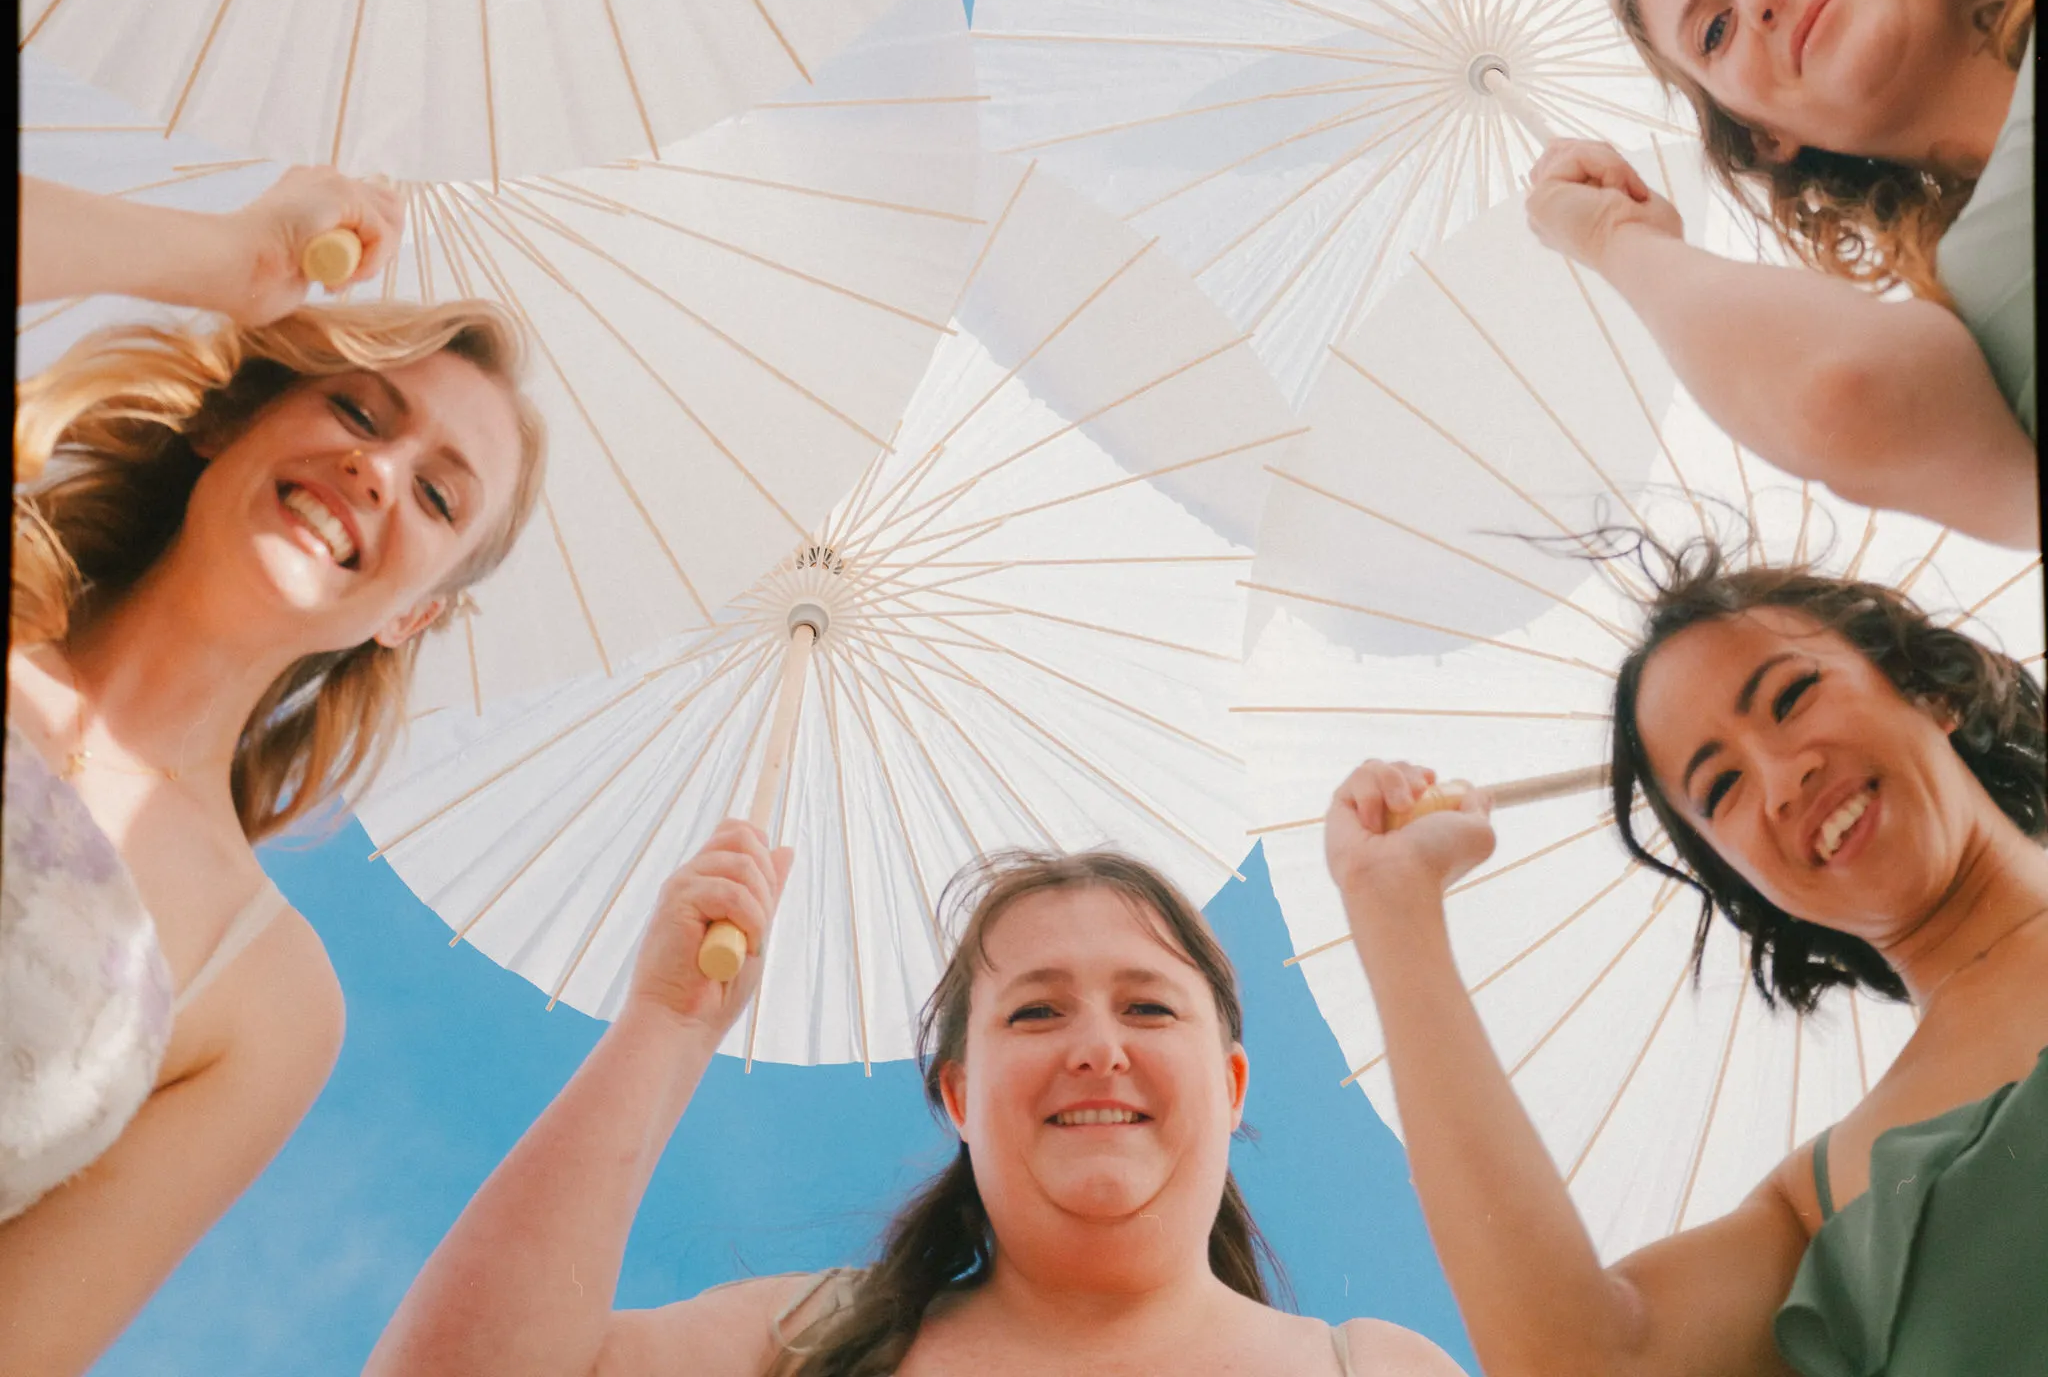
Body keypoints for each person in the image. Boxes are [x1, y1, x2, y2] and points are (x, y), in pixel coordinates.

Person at [2, 169, 548, 1376]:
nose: (380, 470)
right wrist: (218, 264)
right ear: (227, 419)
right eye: (359, 412)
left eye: (440, 493)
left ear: (414, 617)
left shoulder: (270, 1005)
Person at [1326, 543, 2048, 1377]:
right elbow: (1575, 1359)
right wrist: (1392, 903)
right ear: (1744, 883)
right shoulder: (1824, 1204)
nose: (1781, 780)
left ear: (1933, 686)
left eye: (1791, 695)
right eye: (1721, 789)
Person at [366, 841, 1464, 1377]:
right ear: (958, 1097)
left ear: (1228, 1088)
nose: (1094, 1048)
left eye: (1144, 1005)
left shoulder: (1368, 1368)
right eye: (1033, 1012)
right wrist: (666, 1019)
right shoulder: (809, 1340)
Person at [1525, 0, 2035, 549]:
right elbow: (1841, 394)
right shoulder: (1979, 324)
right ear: (1768, 136)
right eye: (1715, 31)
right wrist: (1614, 237)